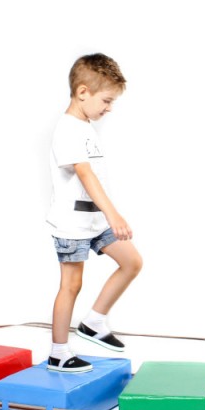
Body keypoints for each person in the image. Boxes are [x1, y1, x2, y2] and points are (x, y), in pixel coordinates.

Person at [46, 53, 142, 372]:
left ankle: (94, 322)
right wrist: (114, 215)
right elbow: (85, 174)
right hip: (73, 224)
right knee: (71, 285)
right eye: (106, 100)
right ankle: (59, 353)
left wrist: (106, 216)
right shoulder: (67, 129)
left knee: (132, 262)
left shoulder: (85, 126)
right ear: (83, 92)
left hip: (95, 219)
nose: (109, 108)